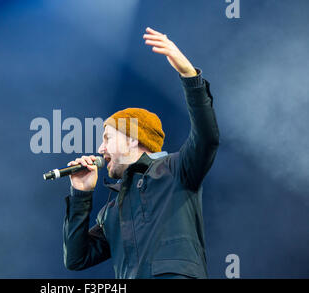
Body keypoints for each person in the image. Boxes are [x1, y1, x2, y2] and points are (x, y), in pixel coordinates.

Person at [63, 27, 220, 279]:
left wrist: (189, 76)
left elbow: (207, 137)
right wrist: (81, 194)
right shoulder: (112, 211)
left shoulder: (176, 170)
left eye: (107, 138)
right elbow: (76, 259)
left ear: (133, 139)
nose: (101, 149)